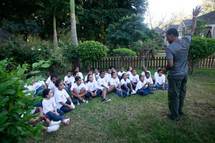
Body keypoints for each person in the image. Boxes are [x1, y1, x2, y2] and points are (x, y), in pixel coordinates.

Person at [165, 6, 201, 121]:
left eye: (167, 36)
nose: (166, 38)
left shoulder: (170, 48)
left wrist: (164, 69)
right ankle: (180, 111)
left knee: (174, 95)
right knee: (182, 93)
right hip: (184, 74)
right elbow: (192, 30)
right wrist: (194, 17)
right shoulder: (185, 41)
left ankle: (174, 115)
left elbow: (170, 65)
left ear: (172, 35)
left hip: (175, 75)